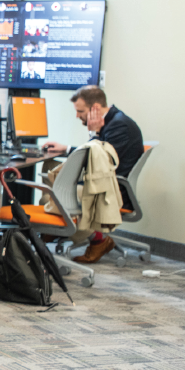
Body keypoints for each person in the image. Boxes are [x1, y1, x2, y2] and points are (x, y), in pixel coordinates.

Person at [42, 85, 144, 264]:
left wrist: (94, 132)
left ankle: (100, 241)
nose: (77, 116)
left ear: (95, 108)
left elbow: (99, 161)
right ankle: (52, 228)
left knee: (56, 195)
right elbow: (93, 156)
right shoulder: (114, 121)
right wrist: (65, 149)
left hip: (113, 191)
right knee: (51, 178)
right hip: (103, 184)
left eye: (80, 111)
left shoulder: (120, 126)